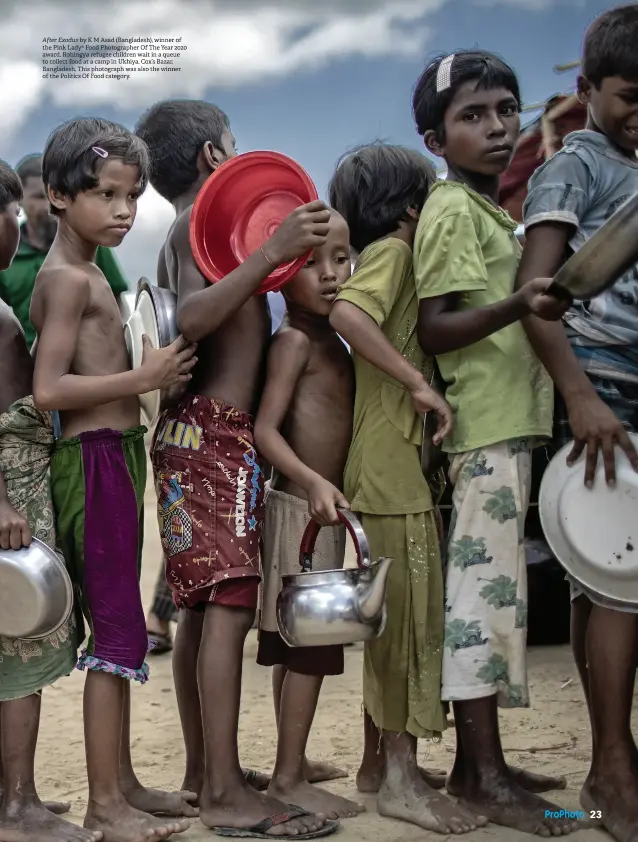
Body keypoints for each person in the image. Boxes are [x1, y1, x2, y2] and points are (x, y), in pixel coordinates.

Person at [135, 98, 338, 839]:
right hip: (212, 435)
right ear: (213, 160)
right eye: (234, 145)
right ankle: (222, 790)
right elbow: (192, 320)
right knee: (224, 610)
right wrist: (269, 249)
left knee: (200, 612)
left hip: (198, 434)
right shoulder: (199, 225)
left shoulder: (183, 231)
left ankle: (204, 771)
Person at [411, 50, 578, 836]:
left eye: (506, 110)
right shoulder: (449, 210)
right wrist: (518, 305)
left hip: (510, 426)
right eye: (473, 117)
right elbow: (435, 325)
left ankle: (484, 763)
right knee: (480, 603)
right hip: (483, 430)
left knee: (500, 597)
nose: (499, 127)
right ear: (435, 140)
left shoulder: (486, 214)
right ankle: (481, 776)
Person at [30, 117, 199, 842]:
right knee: (119, 632)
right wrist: (146, 376)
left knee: (122, 624)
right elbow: (48, 389)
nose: (124, 210)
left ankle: (124, 782)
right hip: (92, 462)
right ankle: (106, 804)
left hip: (115, 454)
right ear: (61, 198)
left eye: (131, 195)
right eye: (105, 194)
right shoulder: (67, 279)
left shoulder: (95, 269)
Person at [328, 142, 483, 836]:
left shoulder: (385, 254)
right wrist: (417, 382)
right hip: (389, 471)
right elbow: (348, 317)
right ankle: (400, 777)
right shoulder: (392, 255)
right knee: (410, 620)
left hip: (386, 463)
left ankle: (374, 766)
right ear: (412, 207)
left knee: (389, 618)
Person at [516, 7, 638, 841]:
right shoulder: (574, 168)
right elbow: (537, 296)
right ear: (586, 89)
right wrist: (581, 395)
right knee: (613, 574)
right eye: (630, 95)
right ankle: (608, 768)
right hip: (601, 390)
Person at [0, 158, 102, 842]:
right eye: (4, 213)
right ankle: (18, 804)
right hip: (10, 491)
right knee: (20, 647)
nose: (13, 225)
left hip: (20, 478)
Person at [253, 209, 363, 820]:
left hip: (318, 509)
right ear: (281, 273)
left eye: (340, 260)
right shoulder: (294, 341)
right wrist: (314, 481)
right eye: (311, 263)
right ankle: (289, 777)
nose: (328, 275)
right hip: (304, 510)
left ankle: (288, 759)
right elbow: (266, 431)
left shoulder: (332, 336)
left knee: (296, 643)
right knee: (309, 650)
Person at [0, 154, 129, 348]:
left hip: (93, 363)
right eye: (38, 197)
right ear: (21, 201)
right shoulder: (6, 253)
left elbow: (118, 303)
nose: (48, 206)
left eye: (54, 195)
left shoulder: (89, 241)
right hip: (32, 365)